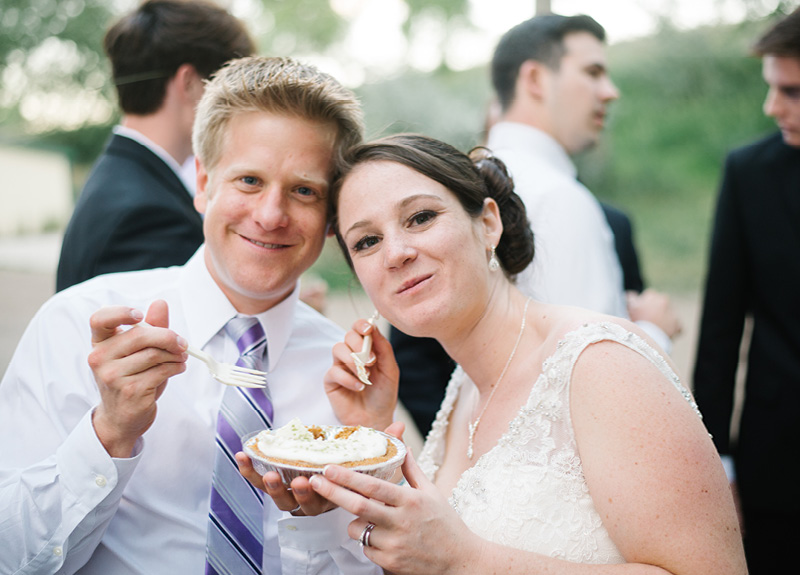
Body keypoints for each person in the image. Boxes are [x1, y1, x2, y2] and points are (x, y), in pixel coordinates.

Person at [0, 56, 391, 575]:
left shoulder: (350, 380)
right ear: (203, 183)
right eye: (249, 180)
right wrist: (109, 432)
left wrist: (339, 506)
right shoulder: (74, 323)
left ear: (330, 218)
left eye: (303, 191)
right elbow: (11, 556)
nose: (271, 215)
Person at [293, 133, 747, 574]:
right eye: (367, 242)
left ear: (488, 223)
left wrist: (469, 563)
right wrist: (370, 436)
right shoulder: (461, 391)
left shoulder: (599, 362)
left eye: (420, 217)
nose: (396, 253)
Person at [486, 13, 681, 353]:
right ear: (535, 79)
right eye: (593, 73)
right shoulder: (557, 197)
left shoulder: (470, 179)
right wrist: (655, 330)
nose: (610, 92)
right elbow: (591, 368)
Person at [693, 7, 800, 573]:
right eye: (771, 88)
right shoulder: (749, 173)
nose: (772, 107)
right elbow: (720, 325)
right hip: (779, 463)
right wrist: (718, 463)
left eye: (792, 91)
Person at [55, 0, 255, 292]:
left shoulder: (123, 177)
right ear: (189, 83)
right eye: (230, 90)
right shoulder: (149, 216)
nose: (239, 108)